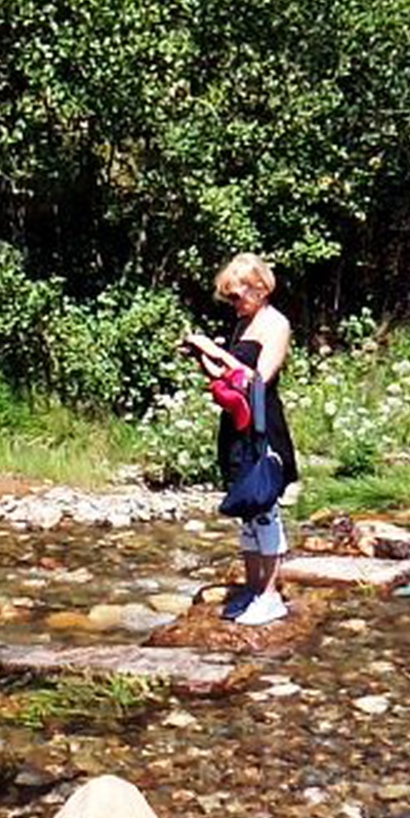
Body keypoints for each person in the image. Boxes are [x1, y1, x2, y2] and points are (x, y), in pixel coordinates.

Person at [181, 253, 297, 627]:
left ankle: (271, 594)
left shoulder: (275, 324)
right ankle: (252, 587)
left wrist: (217, 351)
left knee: (264, 508)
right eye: (229, 297)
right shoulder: (243, 323)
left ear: (260, 288)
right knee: (246, 512)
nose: (233, 303)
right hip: (235, 424)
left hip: (263, 426)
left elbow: (257, 378)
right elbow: (226, 377)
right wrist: (203, 358)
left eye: (237, 296)